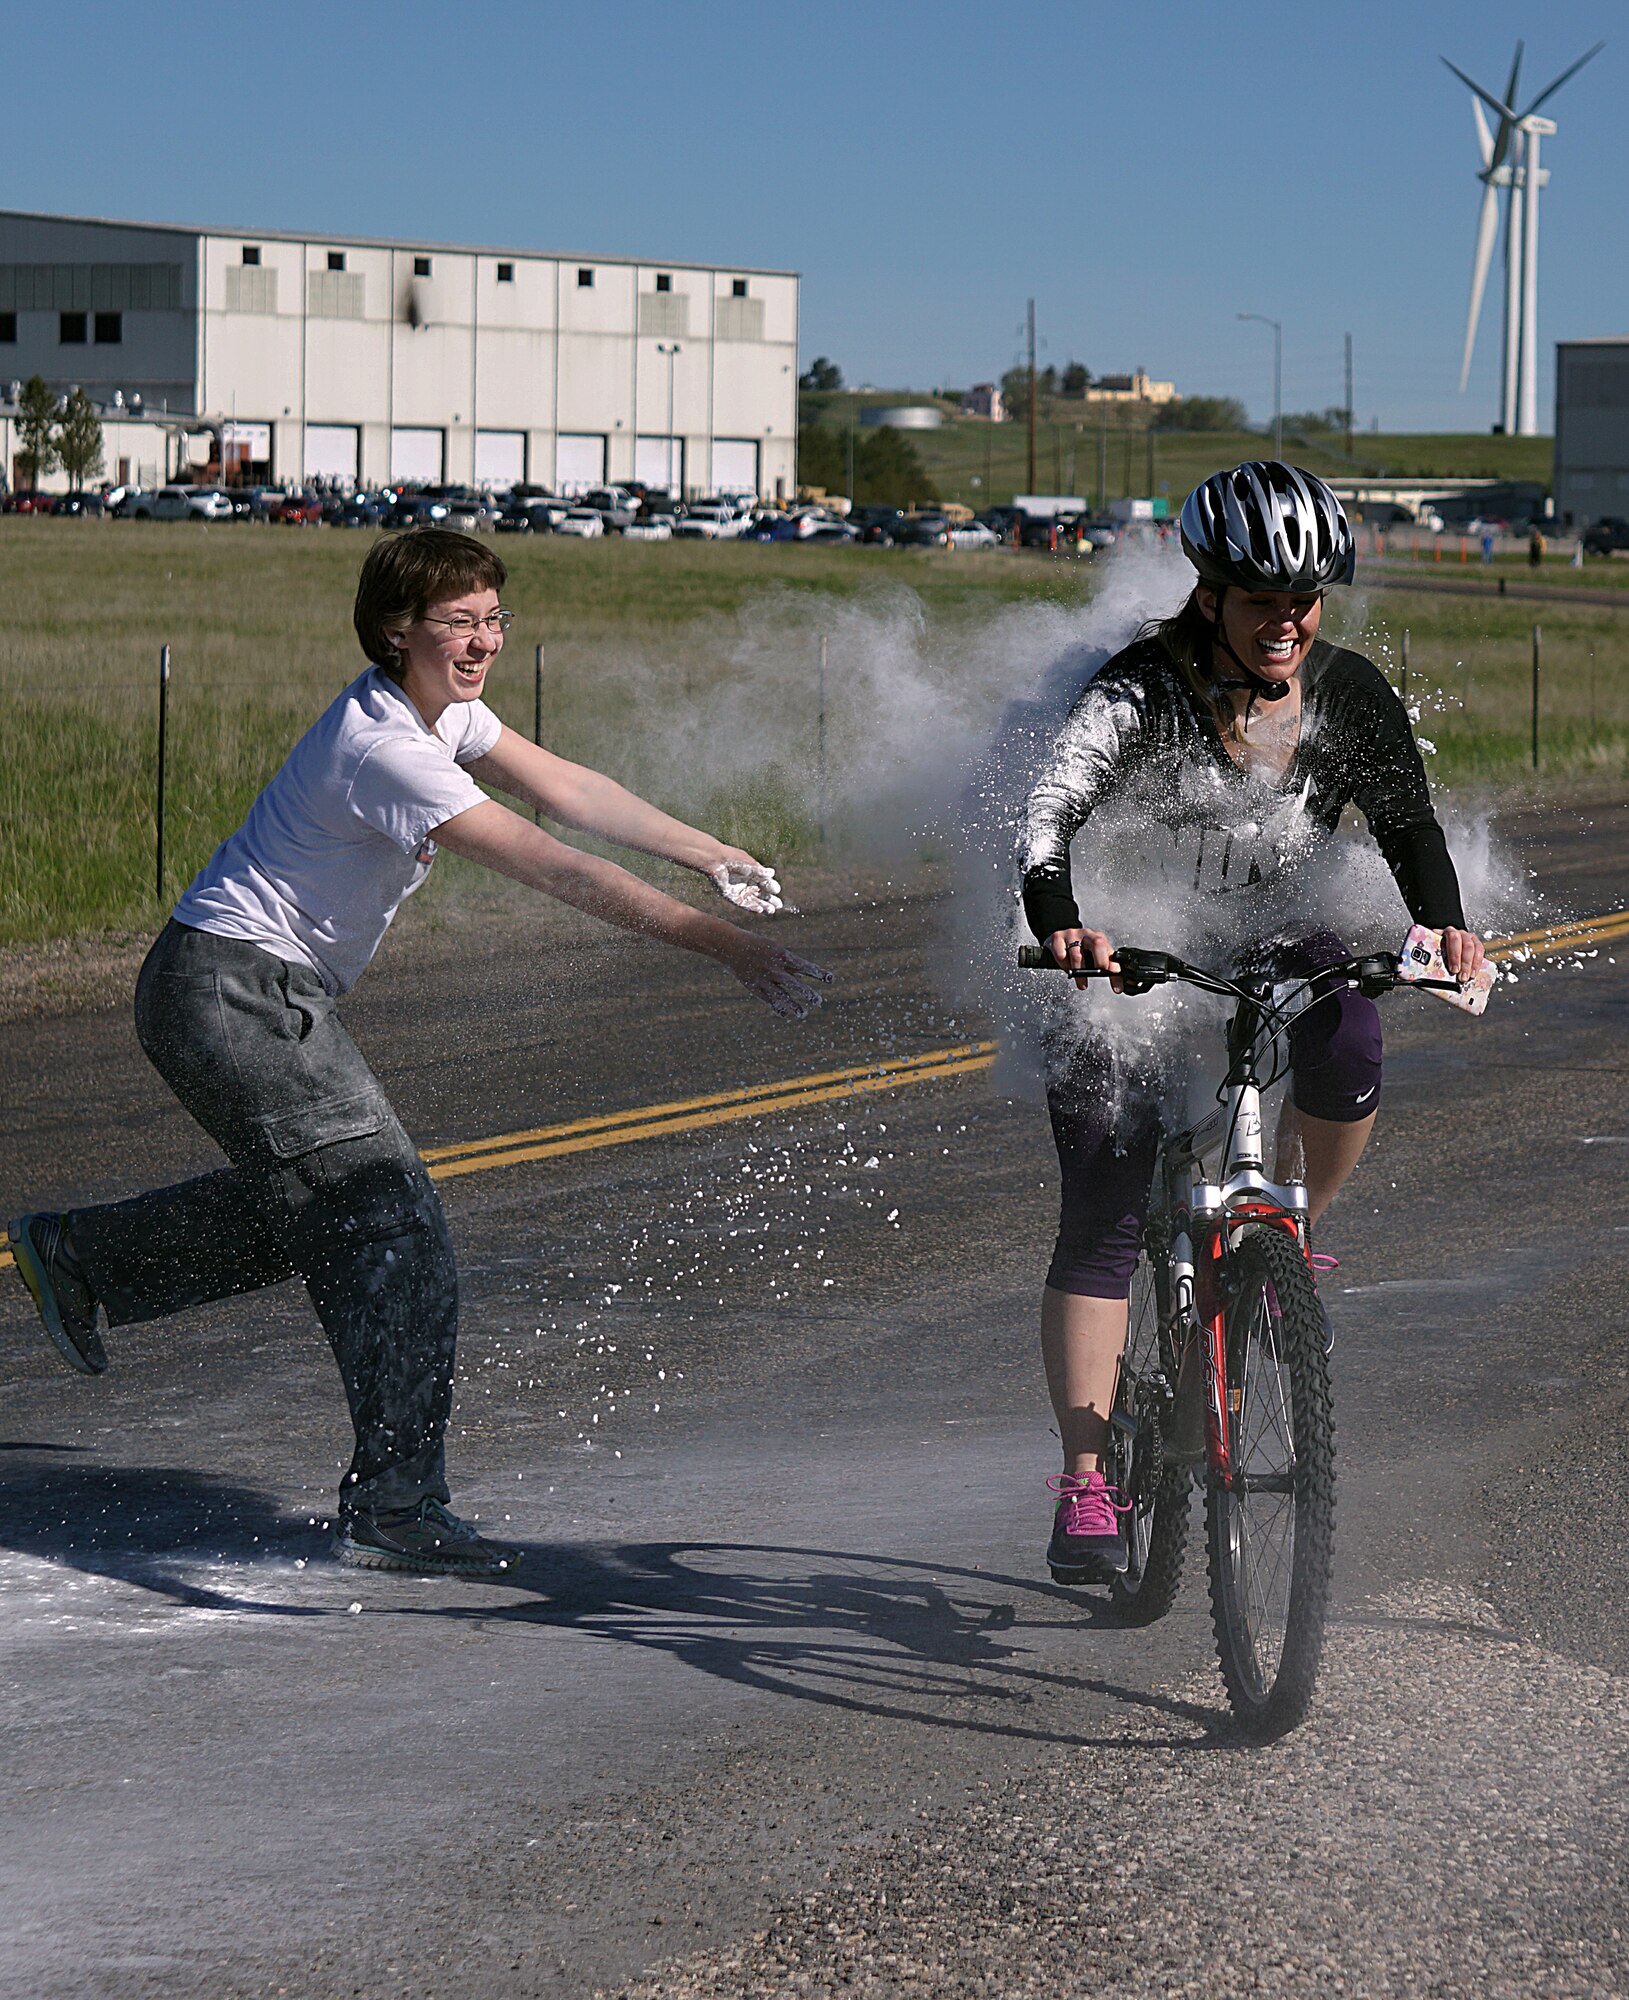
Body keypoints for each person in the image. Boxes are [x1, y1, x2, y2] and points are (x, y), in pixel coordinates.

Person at [9, 529, 828, 1577]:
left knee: (332, 1211)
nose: (482, 639)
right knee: (392, 1223)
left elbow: (569, 791)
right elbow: (549, 861)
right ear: (399, 629)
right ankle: (395, 1506)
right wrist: (726, 947)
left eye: (494, 617)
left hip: (238, 986)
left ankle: (85, 1256)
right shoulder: (383, 746)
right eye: (459, 621)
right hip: (230, 988)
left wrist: (711, 852)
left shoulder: (446, 712)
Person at [1020, 461, 1485, 1584]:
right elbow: (1049, 814)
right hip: (1129, 945)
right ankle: (1086, 1478)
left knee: (1354, 1029)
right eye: (1263, 597)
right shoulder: (1137, 690)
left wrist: (1449, 929)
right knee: (1106, 1212)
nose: (1288, 619)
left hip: (1275, 937)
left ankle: (1286, 1231)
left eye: (1307, 596)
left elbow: (1410, 823)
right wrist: (1067, 925)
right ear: (1211, 591)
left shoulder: (1347, 690)